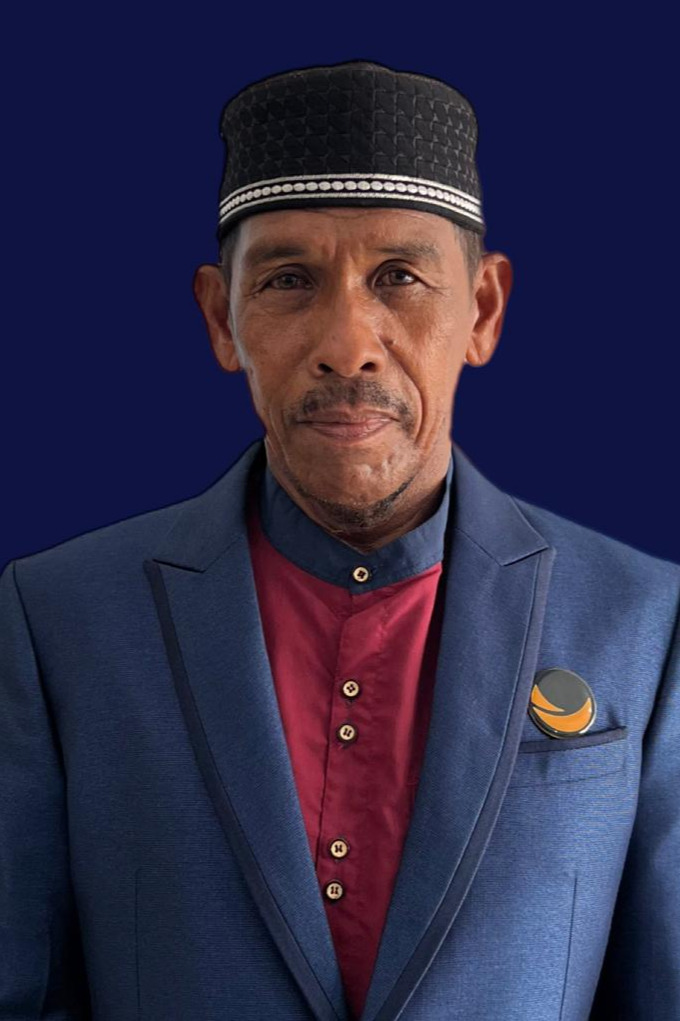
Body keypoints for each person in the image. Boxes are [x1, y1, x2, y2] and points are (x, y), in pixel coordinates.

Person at [1, 59, 678, 1021]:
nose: (347, 343)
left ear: (483, 309)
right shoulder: (60, 621)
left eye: (399, 277)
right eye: (289, 280)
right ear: (221, 317)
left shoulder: (643, 621)